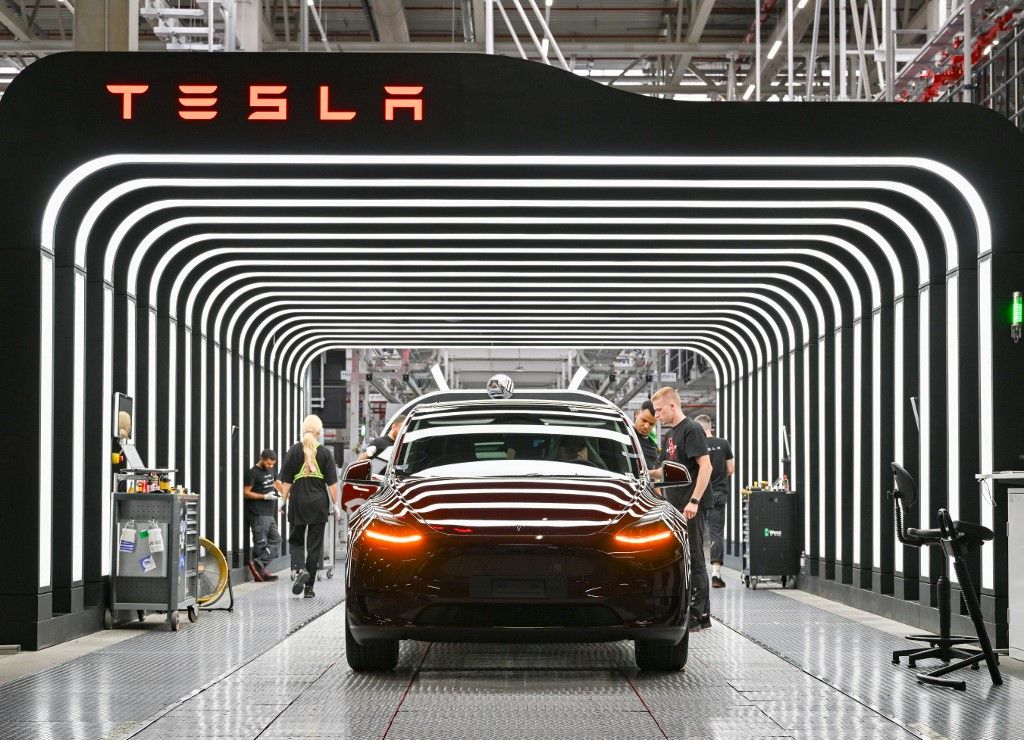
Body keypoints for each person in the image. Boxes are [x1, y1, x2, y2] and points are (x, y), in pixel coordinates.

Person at [651, 386, 713, 632]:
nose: (656, 415)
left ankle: (698, 615)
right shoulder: (670, 435)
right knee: (686, 559)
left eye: (658, 410)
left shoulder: (692, 429)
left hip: (691, 506)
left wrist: (694, 501)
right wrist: (641, 472)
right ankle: (699, 614)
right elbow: (665, 469)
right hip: (676, 507)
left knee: (696, 558)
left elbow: (706, 466)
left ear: (672, 406)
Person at [277, 414, 339, 599]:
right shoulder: (326, 453)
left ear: (303, 430)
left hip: (298, 501)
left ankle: (300, 568)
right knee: (314, 547)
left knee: (296, 540)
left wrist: (282, 499)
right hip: (319, 503)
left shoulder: (294, 451)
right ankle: (309, 589)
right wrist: (335, 505)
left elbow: (286, 481)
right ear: (319, 432)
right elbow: (332, 484)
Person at [694, 414, 734, 589]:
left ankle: (697, 573)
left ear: (699, 428)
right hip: (719, 494)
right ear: (710, 427)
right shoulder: (724, 443)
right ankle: (716, 575)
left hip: (701, 494)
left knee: (698, 532)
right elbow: (731, 469)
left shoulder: (697, 445)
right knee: (716, 532)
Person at [243, 449, 284, 582]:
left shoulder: (271, 469)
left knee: (277, 540)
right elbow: (246, 492)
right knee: (260, 544)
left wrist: (285, 495)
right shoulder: (252, 472)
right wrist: (264, 496)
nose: (270, 466)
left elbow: (276, 482)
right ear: (261, 458)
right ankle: (260, 571)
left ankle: (258, 564)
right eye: (268, 464)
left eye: (272, 464)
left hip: (269, 512)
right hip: (258, 512)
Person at [634, 402, 659, 469]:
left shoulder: (653, 444)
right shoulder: (626, 435)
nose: (646, 426)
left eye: (651, 424)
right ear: (637, 414)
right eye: (644, 420)